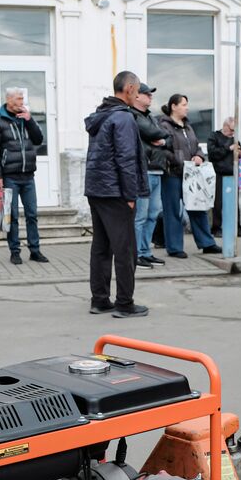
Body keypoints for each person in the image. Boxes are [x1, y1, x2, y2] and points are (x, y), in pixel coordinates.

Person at [84, 71, 149, 318]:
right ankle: (124, 303)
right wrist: (130, 194)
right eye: (139, 89)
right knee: (125, 249)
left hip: (97, 189)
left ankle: (99, 300)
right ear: (130, 88)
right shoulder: (122, 118)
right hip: (116, 192)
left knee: (101, 247)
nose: (140, 94)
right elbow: (125, 158)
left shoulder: (101, 115)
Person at [0, 88, 48, 265]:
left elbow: (38, 139)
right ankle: (15, 251)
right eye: (19, 99)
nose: (22, 102)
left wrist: (30, 121)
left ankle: (35, 251)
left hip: (28, 176)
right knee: (11, 216)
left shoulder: (26, 118)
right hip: (10, 177)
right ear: (9, 100)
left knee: (32, 214)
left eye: (22, 98)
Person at [156, 95, 218, 256]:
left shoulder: (188, 127)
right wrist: (181, 162)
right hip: (172, 175)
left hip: (191, 175)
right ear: (173, 107)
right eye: (184, 104)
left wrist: (199, 156)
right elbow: (163, 151)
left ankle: (207, 243)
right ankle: (175, 248)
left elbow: (197, 146)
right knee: (173, 211)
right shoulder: (164, 126)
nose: (187, 108)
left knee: (198, 207)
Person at [132, 83, 169, 270]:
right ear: (136, 96)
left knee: (153, 214)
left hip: (157, 170)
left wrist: (160, 138)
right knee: (140, 216)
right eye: (146, 94)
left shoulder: (150, 117)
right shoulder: (133, 115)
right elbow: (153, 133)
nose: (150, 97)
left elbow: (166, 135)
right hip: (144, 170)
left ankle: (146, 252)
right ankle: (136, 254)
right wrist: (158, 138)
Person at [206, 117, 241, 238]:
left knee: (234, 202)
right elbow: (212, 154)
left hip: (233, 173)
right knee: (218, 202)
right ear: (225, 126)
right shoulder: (214, 136)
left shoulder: (235, 139)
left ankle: (237, 227)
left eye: (234, 130)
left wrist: (240, 153)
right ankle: (216, 228)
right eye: (232, 129)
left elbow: (240, 153)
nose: (233, 132)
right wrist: (228, 148)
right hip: (218, 173)